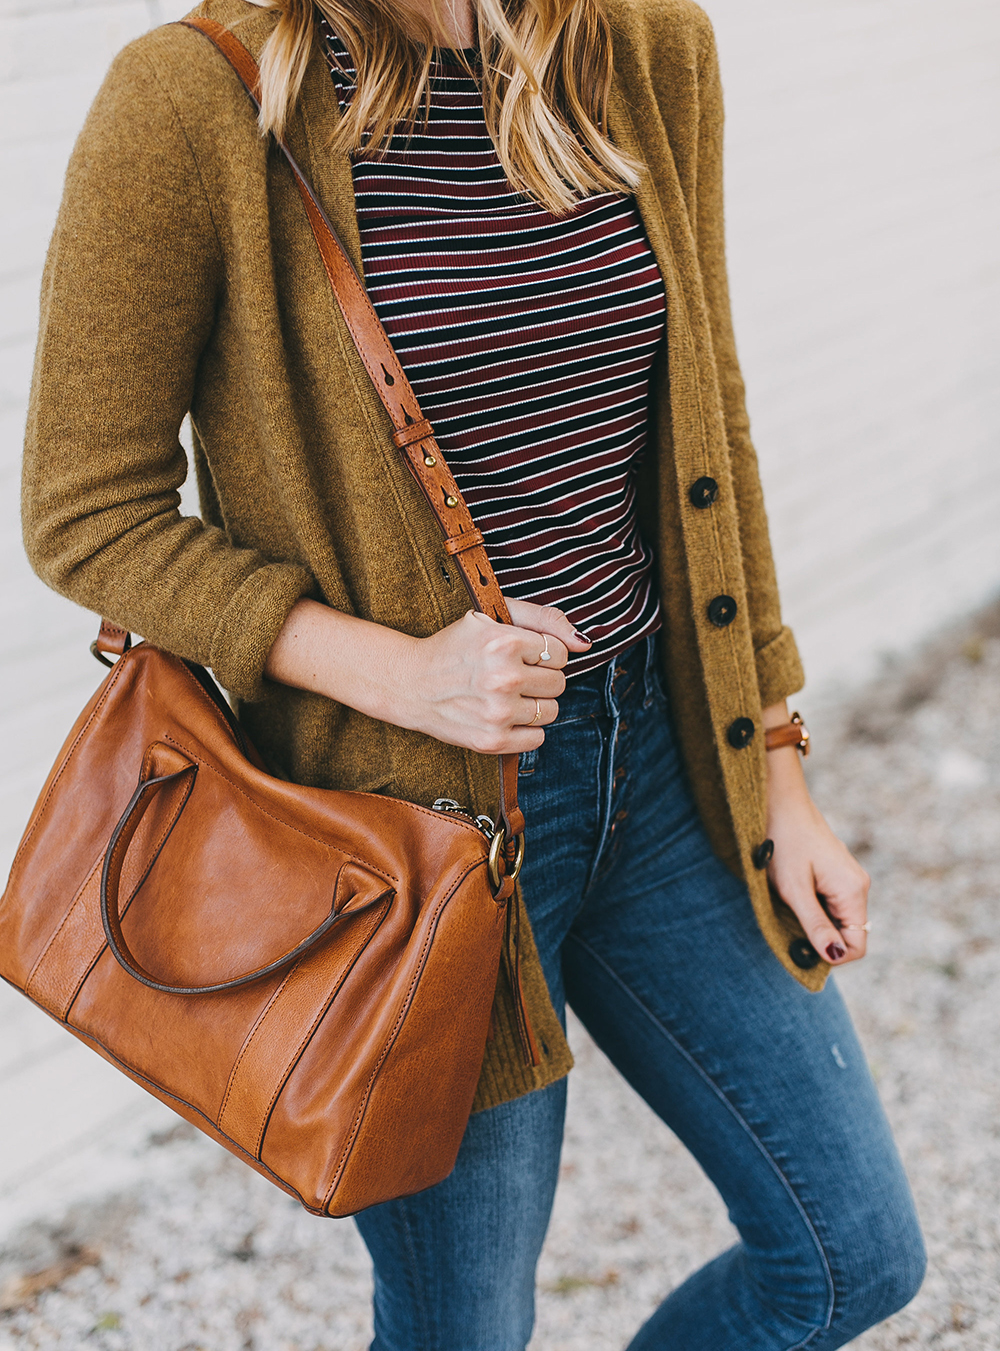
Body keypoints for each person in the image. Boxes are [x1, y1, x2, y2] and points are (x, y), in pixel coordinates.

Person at [22, 0, 926, 1345]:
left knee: (852, 1256)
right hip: (420, 842)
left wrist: (779, 762)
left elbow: (707, 420)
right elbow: (86, 512)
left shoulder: (645, 49)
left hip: (670, 773)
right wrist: (397, 675)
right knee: (465, 1331)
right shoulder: (199, 96)